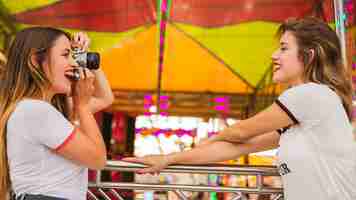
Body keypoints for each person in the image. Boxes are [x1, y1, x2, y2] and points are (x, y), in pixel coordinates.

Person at [124, 17, 356, 199]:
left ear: (308, 55)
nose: (274, 55)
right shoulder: (302, 115)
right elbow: (237, 147)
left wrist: (210, 139)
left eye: (284, 48)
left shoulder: (309, 94)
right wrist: (168, 159)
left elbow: (241, 132)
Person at [0, 27, 114, 200]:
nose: (74, 63)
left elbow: (105, 98)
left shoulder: (36, 108)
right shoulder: (36, 111)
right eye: (65, 55)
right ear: (35, 61)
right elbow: (97, 159)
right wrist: (82, 106)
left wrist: (84, 55)